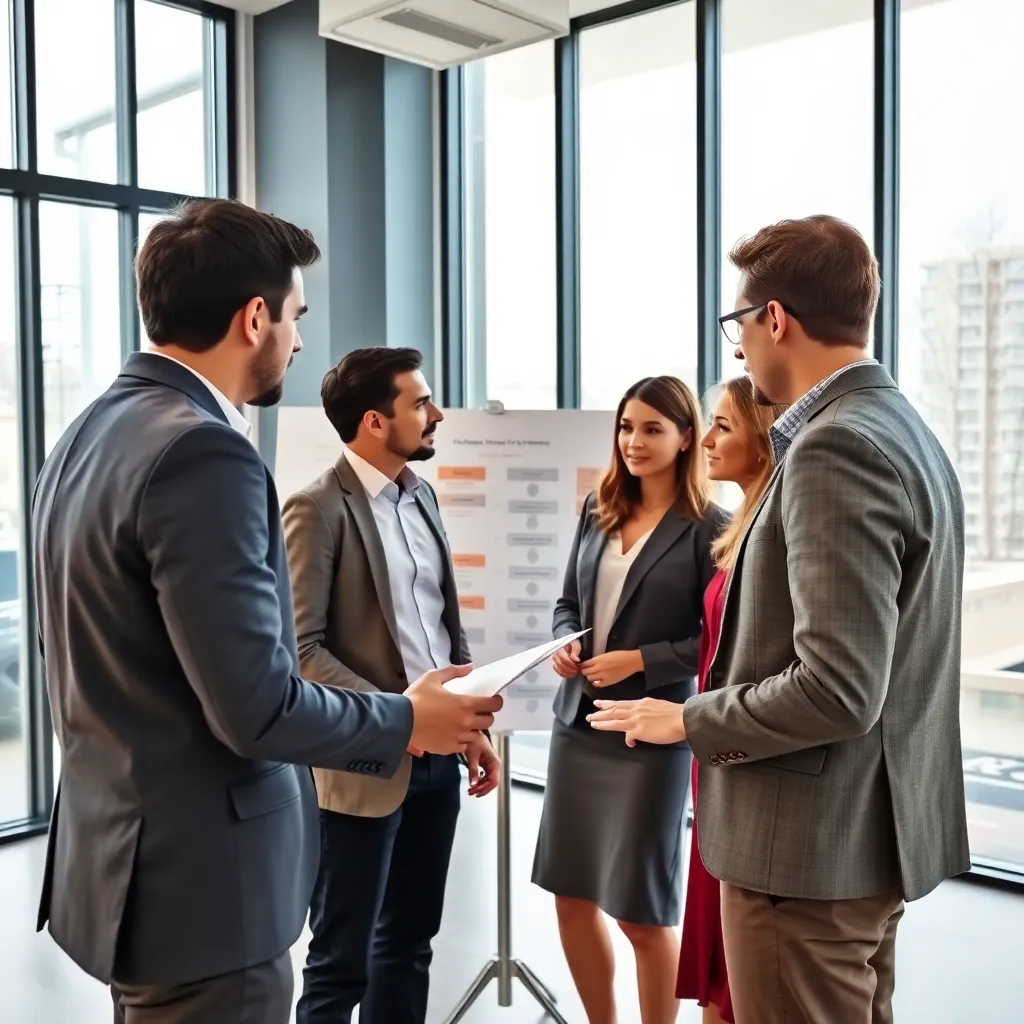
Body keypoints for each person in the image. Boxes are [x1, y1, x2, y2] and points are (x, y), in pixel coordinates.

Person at [31, 199, 501, 1024]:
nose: (299, 339)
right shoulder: (204, 452)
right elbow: (258, 707)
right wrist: (404, 720)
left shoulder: (87, 433)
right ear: (255, 317)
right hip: (206, 895)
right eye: (295, 315)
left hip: (124, 871)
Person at [589, 214, 970, 1024]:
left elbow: (837, 689)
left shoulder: (838, 448)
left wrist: (687, 719)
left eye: (739, 324)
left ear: (775, 320)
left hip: (804, 856)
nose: (737, 350)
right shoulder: (905, 429)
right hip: (860, 840)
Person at [283, 347, 500, 1024]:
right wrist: (399, 717)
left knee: (409, 945)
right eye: (421, 403)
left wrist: (471, 728)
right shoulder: (317, 508)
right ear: (375, 421)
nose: (436, 415)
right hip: (362, 765)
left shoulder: (422, 494)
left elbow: (442, 627)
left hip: (437, 761)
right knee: (340, 959)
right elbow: (299, 650)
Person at [532, 376, 728, 1024]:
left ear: (684, 438)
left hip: (650, 736)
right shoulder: (597, 506)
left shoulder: (710, 528)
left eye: (651, 428)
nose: (633, 441)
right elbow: (567, 605)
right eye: (626, 427)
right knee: (570, 897)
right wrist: (564, 644)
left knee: (641, 914)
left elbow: (716, 638)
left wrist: (642, 660)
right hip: (578, 723)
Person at [676, 376, 785, 1024]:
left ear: (762, 438)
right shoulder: (740, 525)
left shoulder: (771, 528)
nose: (706, 439)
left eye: (722, 426)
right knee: (725, 976)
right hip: (716, 755)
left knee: (746, 984)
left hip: (737, 751)